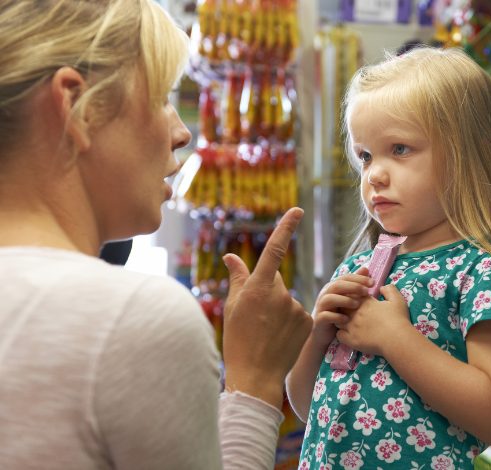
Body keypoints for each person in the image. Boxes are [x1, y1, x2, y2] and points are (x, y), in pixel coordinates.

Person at [0, 1, 311, 468]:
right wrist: (256, 382)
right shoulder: (131, 321)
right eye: (162, 97)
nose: (181, 132)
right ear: (76, 107)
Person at [287, 46, 491, 469]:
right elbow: (305, 406)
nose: (375, 174)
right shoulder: (358, 268)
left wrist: (394, 339)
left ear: (467, 156)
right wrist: (317, 335)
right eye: (366, 156)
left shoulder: (488, 271)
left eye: (400, 149)